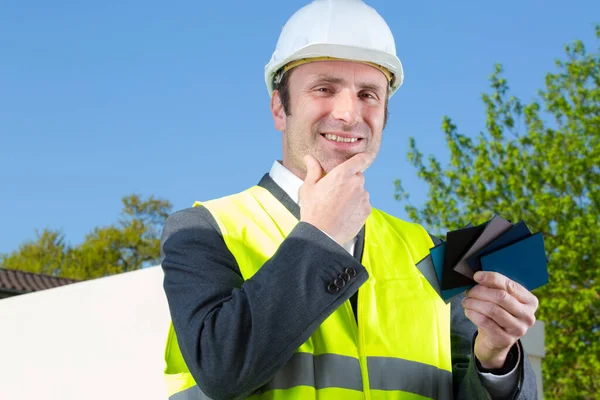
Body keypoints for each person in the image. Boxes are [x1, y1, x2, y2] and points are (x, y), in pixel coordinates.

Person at [160, 1, 539, 399]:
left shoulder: (427, 249)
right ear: (279, 108)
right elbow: (221, 370)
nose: (348, 113)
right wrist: (321, 237)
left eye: (368, 94)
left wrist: (495, 360)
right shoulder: (203, 230)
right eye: (324, 89)